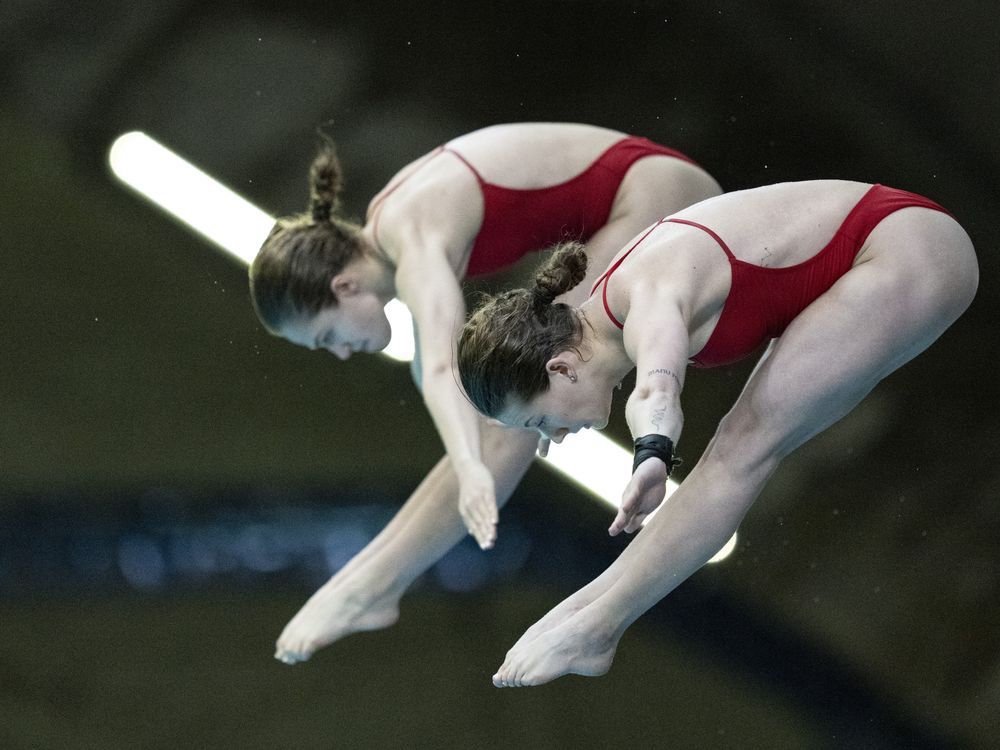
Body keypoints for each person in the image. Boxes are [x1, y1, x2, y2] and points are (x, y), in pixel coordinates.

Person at [457, 180, 978, 687]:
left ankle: (599, 626)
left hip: (907, 247)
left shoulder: (649, 295)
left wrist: (653, 454)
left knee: (741, 449)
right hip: (886, 242)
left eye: (540, 422)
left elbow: (658, 392)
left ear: (562, 368)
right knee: (736, 447)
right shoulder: (608, 308)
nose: (558, 437)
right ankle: (582, 610)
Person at [248, 122, 722, 664]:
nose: (340, 352)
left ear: (344, 287)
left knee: (504, 417)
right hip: (647, 189)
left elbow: (439, 370)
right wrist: (467, 457)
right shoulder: (398, 227)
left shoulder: (413, 231)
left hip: (658, 194)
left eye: (328, 336)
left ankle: (371, 586)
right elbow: (439, 372)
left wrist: (473, 463)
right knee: (503, 408)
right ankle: (365, 579)